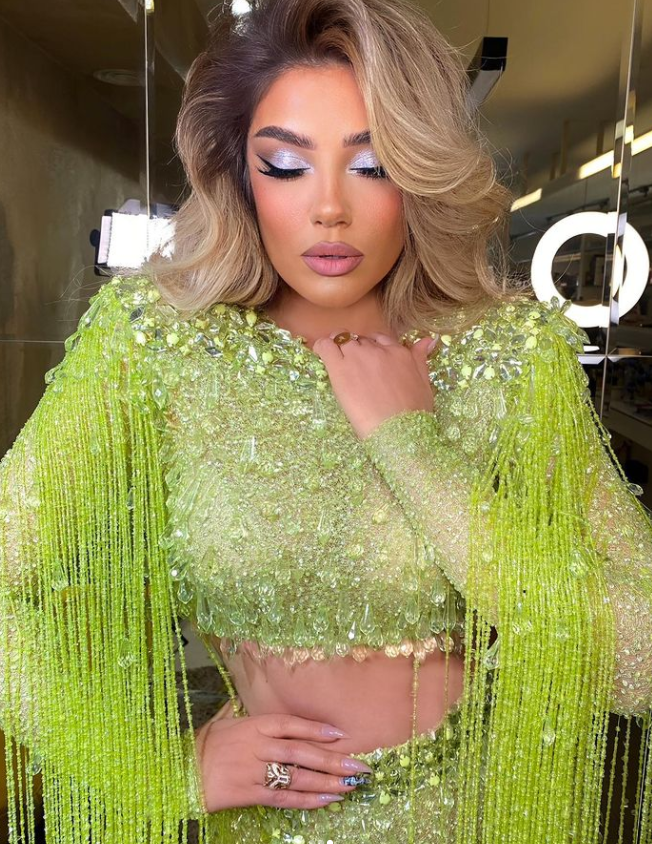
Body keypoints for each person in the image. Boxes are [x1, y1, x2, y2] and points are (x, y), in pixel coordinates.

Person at [1, 0, 651, 843]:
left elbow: (641, 660)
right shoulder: (158, 343)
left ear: (420, 173)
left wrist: (412, 448)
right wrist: (153, 767)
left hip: (477, 815)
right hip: (264, 818)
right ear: (239, 175)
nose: (330, 209)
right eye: (286, 166)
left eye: (373, 164)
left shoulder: (508, 354)